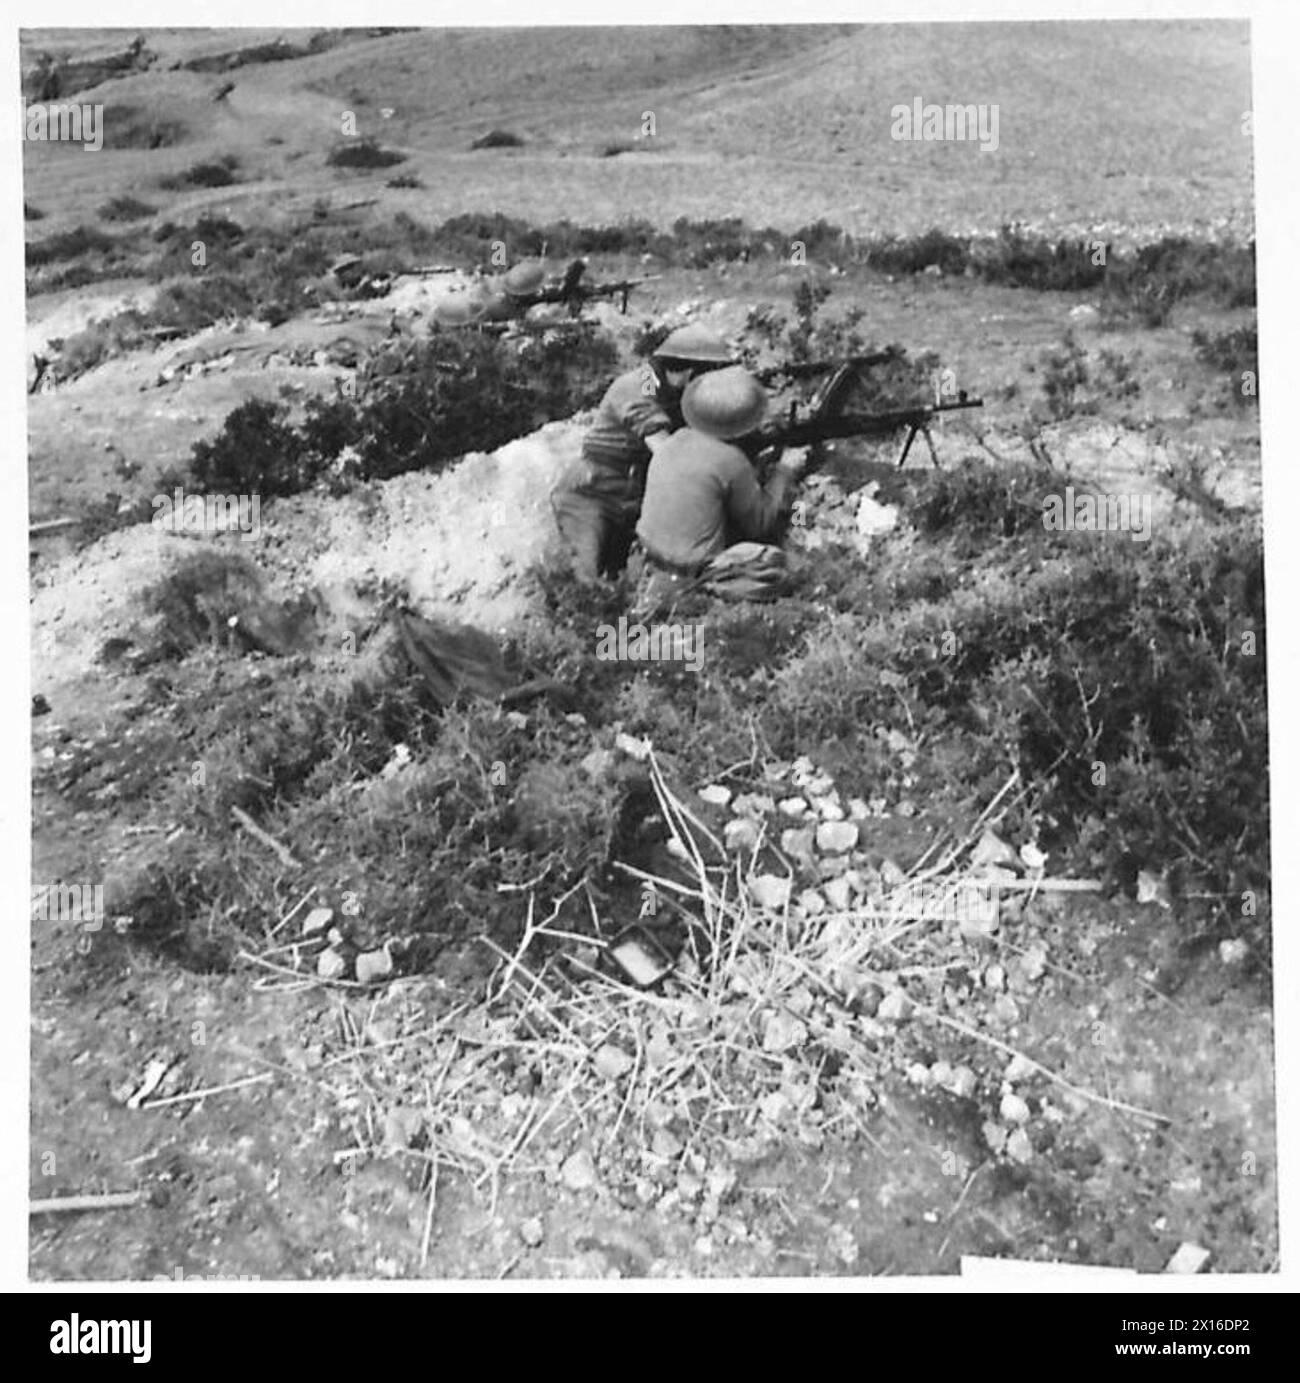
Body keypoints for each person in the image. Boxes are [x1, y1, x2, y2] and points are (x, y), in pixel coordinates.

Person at [550, 324, 733, 582]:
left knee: (617, 583)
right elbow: (666, 451)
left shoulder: (673, 391)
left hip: (631, 498)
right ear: (690, 373)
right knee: (585, 578)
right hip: (592, 493)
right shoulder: (641, 384)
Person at [632, 365, 808, 613]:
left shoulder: (677, 438)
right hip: (694, 571)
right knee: (780, 564)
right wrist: (785, 470)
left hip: (647, 555)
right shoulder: (731, 459)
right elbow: (760, 523)